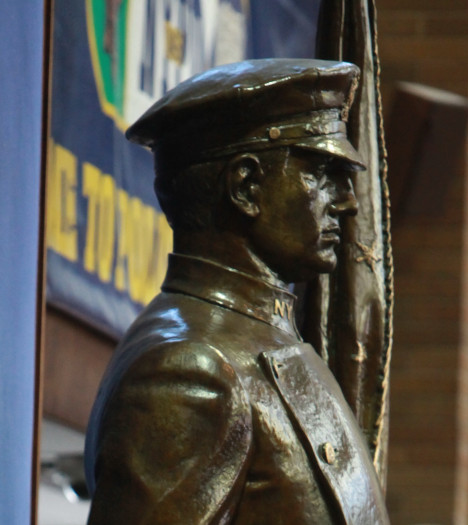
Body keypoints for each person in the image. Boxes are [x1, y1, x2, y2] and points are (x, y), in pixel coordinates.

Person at [84, 59, 390, 524]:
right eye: (321, 171)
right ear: (246, 187)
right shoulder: (190, 368)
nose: (348, 202)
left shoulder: (265, 344)